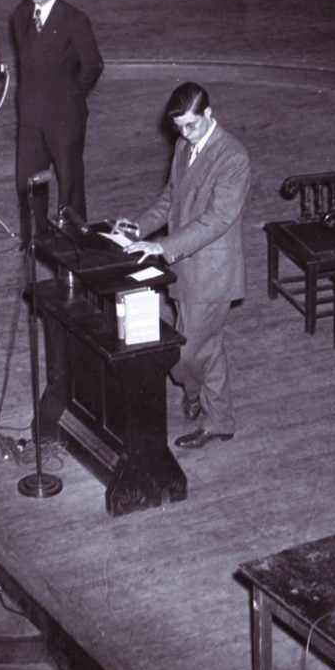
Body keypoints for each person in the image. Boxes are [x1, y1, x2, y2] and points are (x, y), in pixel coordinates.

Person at [115, 82, 250, 449]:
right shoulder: (183, 146)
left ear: (209, 114)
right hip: (187, 270)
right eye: (180, 128)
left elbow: (217, 219)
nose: (185, 134)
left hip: (212, 274)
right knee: (208, 348)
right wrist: (139, 228)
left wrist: (162, 247)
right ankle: (220, 420)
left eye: (192, 125)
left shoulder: (233, 158)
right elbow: (172, 197)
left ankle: (193, 395)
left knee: (185, 354)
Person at [12, 0, 103, 242]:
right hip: (30, 116)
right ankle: (35, 239)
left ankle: (74, 242)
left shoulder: (74, 20)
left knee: (70, 185)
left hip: (64, 117)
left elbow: (93, 65)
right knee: (27, 181)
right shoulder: (20, 17)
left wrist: (70, 97)